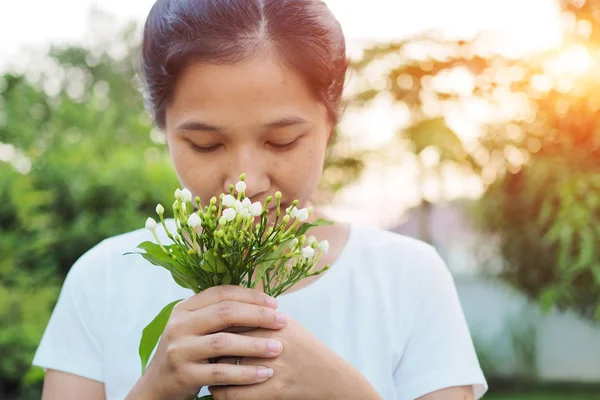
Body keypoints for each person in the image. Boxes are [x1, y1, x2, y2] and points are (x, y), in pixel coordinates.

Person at [33, 0, 488, 399]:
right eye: (206, 145)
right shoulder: (103, 280)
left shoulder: (407, 278)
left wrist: (342, 392)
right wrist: (155, 390)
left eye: (283, 141)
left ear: (331, 120)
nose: (245, 184)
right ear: (163, 126)